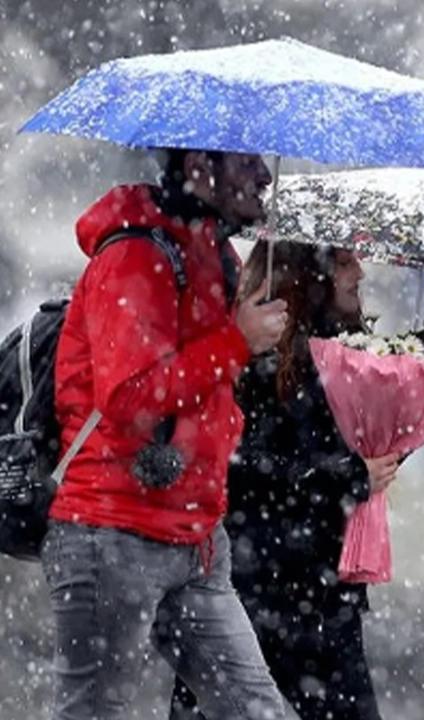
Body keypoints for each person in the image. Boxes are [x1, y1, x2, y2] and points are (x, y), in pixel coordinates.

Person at [45, 148, 292, 720]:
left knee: (256, 710)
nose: (263, 175)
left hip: (196, 537)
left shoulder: (213, 255)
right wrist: (236, 342)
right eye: (246, 162)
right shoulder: (134, 255)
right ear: (199, 165)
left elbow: (205, 393)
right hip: (112, 530)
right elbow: (129, 397)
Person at [171, 241, 399, 720]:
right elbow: (241, 467)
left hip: (319, 591)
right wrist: (349, 476)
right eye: (344, 262)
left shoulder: (345, 354)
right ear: (307, 274)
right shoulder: (254, 357)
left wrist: (385, 450)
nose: (359, 273)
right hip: (254, 588)